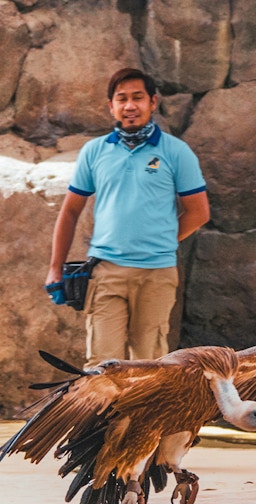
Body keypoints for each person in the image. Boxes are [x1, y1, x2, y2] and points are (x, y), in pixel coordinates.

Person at [45, 67, 210, 368]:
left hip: (156, 275)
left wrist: (158, 240)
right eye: (122, 99)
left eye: (138, 98)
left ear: (153, 102)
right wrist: (55, 269)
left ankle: (140, 418)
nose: (130, 105)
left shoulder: (176, 152)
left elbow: (199, 212)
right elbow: (70, 212)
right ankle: (104, 418)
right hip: (106, 272)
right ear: (111, 106)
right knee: (100, 366)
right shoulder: (94, 152)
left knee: (149, 366)